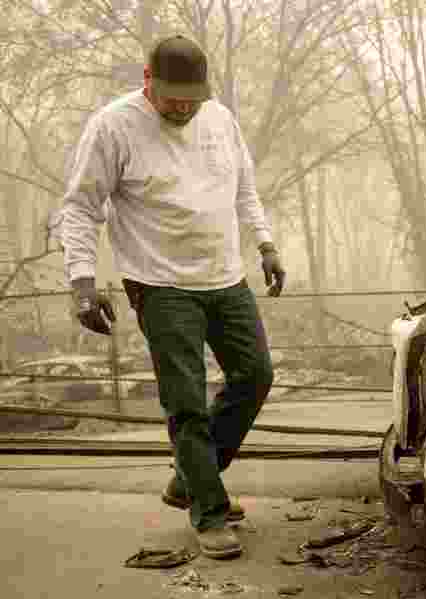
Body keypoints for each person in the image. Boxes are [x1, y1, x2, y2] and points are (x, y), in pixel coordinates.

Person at [59, 34, 286, 559]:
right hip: (159, 282)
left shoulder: (219, 119)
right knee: (185, 401)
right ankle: (209, 512)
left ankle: (189, 477)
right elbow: (81, 207)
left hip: (225, 275)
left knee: (255, 375)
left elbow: (244, 187)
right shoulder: (113, 126)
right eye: (171, 97)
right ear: (147, 81)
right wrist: (82, 282)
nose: (182, 107)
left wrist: (266, 243)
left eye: (192, 97)